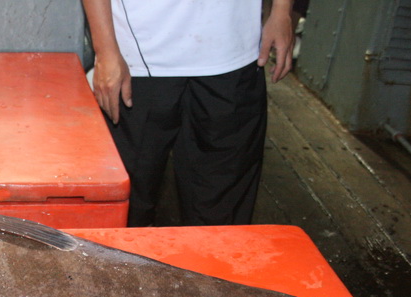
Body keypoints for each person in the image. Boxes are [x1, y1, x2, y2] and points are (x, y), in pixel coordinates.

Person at [82, 0, 295, 226]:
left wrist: (282, 11)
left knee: (224, 217)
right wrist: (105, 50)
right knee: (126, 209)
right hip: (138, 58)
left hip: (235, 51)